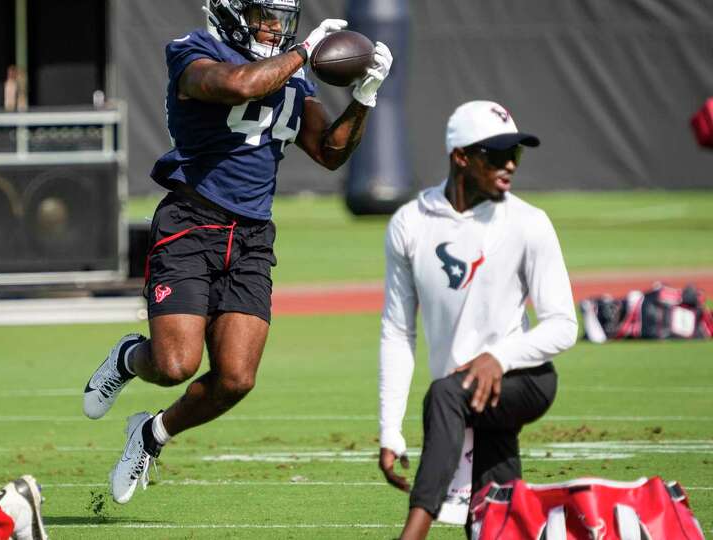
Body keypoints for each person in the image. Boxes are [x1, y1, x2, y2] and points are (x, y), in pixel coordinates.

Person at [82, 0, 393, 504]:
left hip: (251, 236)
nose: (274, 27)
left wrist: (365, 97)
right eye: (262, 15)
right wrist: (306, 51)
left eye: (281, 17)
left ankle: (151, 435)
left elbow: (330, 153)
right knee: (175, 365)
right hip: (190, 223)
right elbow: (240, 85)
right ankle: (127, 358)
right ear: (230, 12)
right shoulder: (193, 51)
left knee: (236, 378)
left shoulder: (291, 73)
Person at [376, 100, 578, 539]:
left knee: (446, 395)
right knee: (494, 521)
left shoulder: (529, 223)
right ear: (461, 157)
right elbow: (397, 332)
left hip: (522, 380)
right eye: (496, 154)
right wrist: (390, 429)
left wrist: (498, 357)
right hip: (471, 399)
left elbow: (563, 324)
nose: (509, 164)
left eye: (516, 154)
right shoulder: (409, 224)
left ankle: (412, 534)